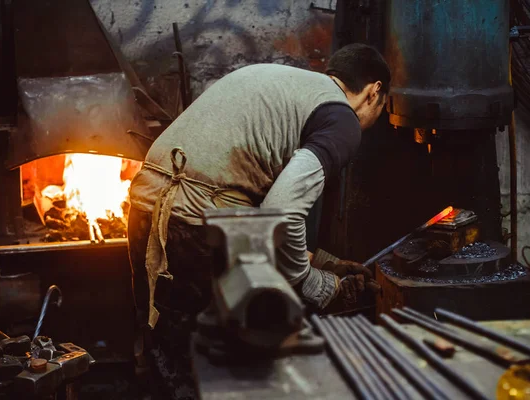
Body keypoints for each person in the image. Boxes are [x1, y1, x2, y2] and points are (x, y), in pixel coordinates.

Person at [127, 43, 391, 399]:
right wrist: (313, 283)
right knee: (215, 372)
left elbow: (256, 203)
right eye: (383, 108)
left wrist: (323, 261)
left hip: (148, 212)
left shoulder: (281, 82)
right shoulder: (342, 119)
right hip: (192, 229)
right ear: (375, 91)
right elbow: (281, 211)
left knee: (165, 358)